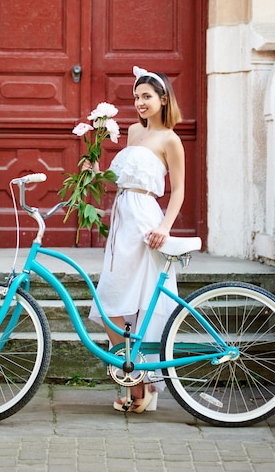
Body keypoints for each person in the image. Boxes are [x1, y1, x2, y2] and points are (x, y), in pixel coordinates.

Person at [89, 65, 185, 414]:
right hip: (121, 220)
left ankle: (141, 385)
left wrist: (166, 228)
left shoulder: (170, 140)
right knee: (111, 300)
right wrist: (95, 170)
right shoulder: (131, 132)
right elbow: (119, 178)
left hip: (147, 222)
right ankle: (136, 377)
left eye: (146, 96)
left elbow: (179, 192)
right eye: (136, 97)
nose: (139, 102)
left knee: (142, 302)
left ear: (162, 99)